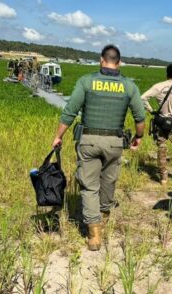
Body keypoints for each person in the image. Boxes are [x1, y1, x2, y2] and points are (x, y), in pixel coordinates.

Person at [52, 45, 146, 251]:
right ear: (118, 62)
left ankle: (94, 235)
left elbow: (70, 111)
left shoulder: (86, 81)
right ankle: (103, 215)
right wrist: (139, 136)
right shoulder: (129, 86)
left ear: (101, 60)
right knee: (109, 181)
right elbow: (140, 117)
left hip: (88, 141)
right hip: (115, 143)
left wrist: (58, 136)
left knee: (89, 186)